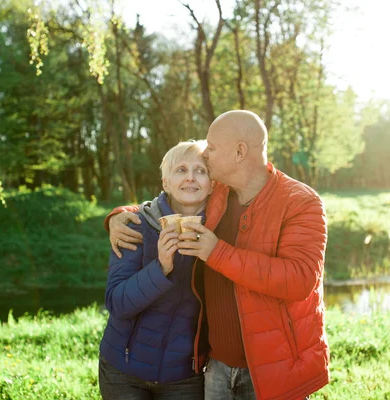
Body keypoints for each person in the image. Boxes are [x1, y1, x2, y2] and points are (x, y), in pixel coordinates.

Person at [106, 110, 329, 400]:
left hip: (273, 370)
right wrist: (118, 216)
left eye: (211, 147)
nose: (205, 156)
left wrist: (217, 252)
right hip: (215, 369)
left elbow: (300, 280)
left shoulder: (301, 202)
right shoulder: (219, 194)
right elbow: (169, 202)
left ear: (239, 152)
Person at [99, 140, 212, 400]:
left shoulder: (220, 231)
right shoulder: (135, 225)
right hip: (123, 370)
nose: (191, 178)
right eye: (181, 170)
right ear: (166, 183)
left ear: (212, 183)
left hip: (185, 376)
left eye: (201, 170)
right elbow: (117, 303)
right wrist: (160, 267)